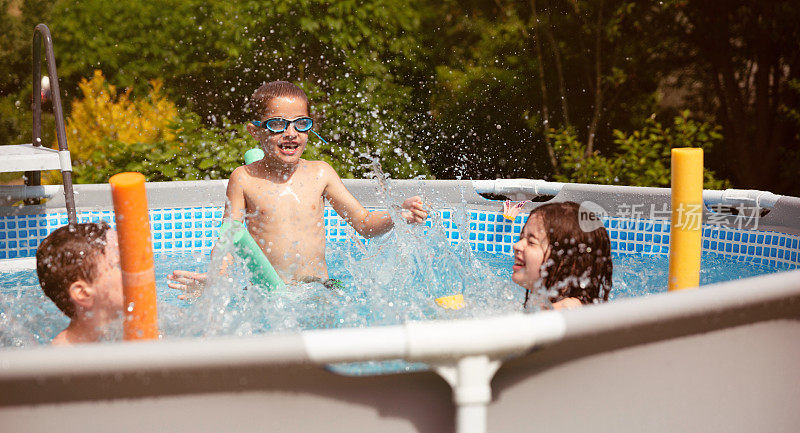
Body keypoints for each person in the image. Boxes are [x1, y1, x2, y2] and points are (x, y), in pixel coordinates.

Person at [169, 81, 427, 293]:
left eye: (301, 124)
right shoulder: (244, 178)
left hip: (319, 288)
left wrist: (397, 215)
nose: (291, 133)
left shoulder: (321, 173)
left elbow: (364, 223)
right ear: (255, 132)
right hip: (268, 291)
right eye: (278, 124)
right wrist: (217, 276)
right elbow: (230, 237)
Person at [511, 201, 612, 310]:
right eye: (522, 238)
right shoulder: (545, 302)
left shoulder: (567, 309)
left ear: (567, 262)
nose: (516, 245)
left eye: (531, 242)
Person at [35, 222, 124, 345]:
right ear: (83, 293)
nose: (134, 270)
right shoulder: (64, 358)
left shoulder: (132, 327)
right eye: (119, 264)